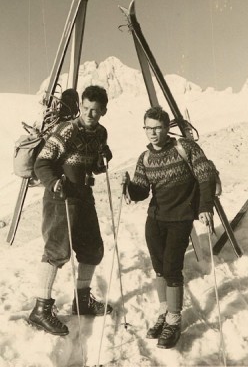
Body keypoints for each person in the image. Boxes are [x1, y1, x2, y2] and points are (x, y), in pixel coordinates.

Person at [122, 106, 217, 349]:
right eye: (148, 128)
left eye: (157, 128)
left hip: (180, 217)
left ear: (167, 128)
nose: (152, 133)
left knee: (172, 267)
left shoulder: (185, 148)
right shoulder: (144, 158)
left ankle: (174, 320)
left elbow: (206, 175)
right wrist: (129, 188)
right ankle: (165, 312)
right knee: (159, 268)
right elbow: (142, 191)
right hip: (155, 218)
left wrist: (206, 206)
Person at [28, 85, 113, 336]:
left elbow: (95, 164)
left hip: (83, 197)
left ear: (103, 111)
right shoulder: (66, 130)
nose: (89, 114)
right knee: (57, 251)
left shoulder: (101, 133)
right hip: (60, 197)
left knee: (92, 249)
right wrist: (54, 182)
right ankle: (40, 309)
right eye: (86, 108)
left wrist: (103, 159)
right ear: (81, 107)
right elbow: (41, 163)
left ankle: (82, 300)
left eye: (95, 111)